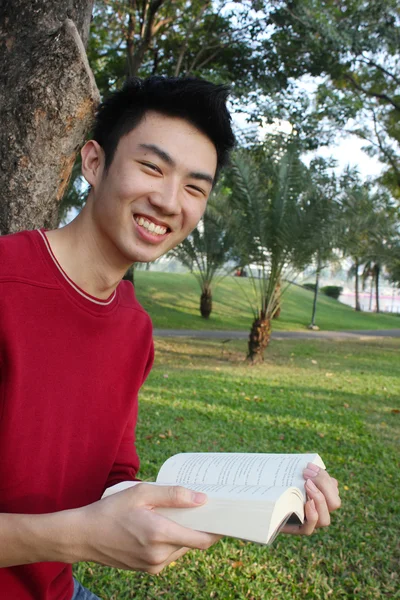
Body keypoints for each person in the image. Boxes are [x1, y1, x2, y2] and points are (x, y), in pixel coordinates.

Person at [0, 76, 340, 600]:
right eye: (151, 167)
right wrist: (81, 537)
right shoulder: (6, 285)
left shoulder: (133, 326)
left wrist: (253, 507)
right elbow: (87, 526)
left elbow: (113, 480)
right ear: (94, 162)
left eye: (194, 187)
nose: (167, 200)